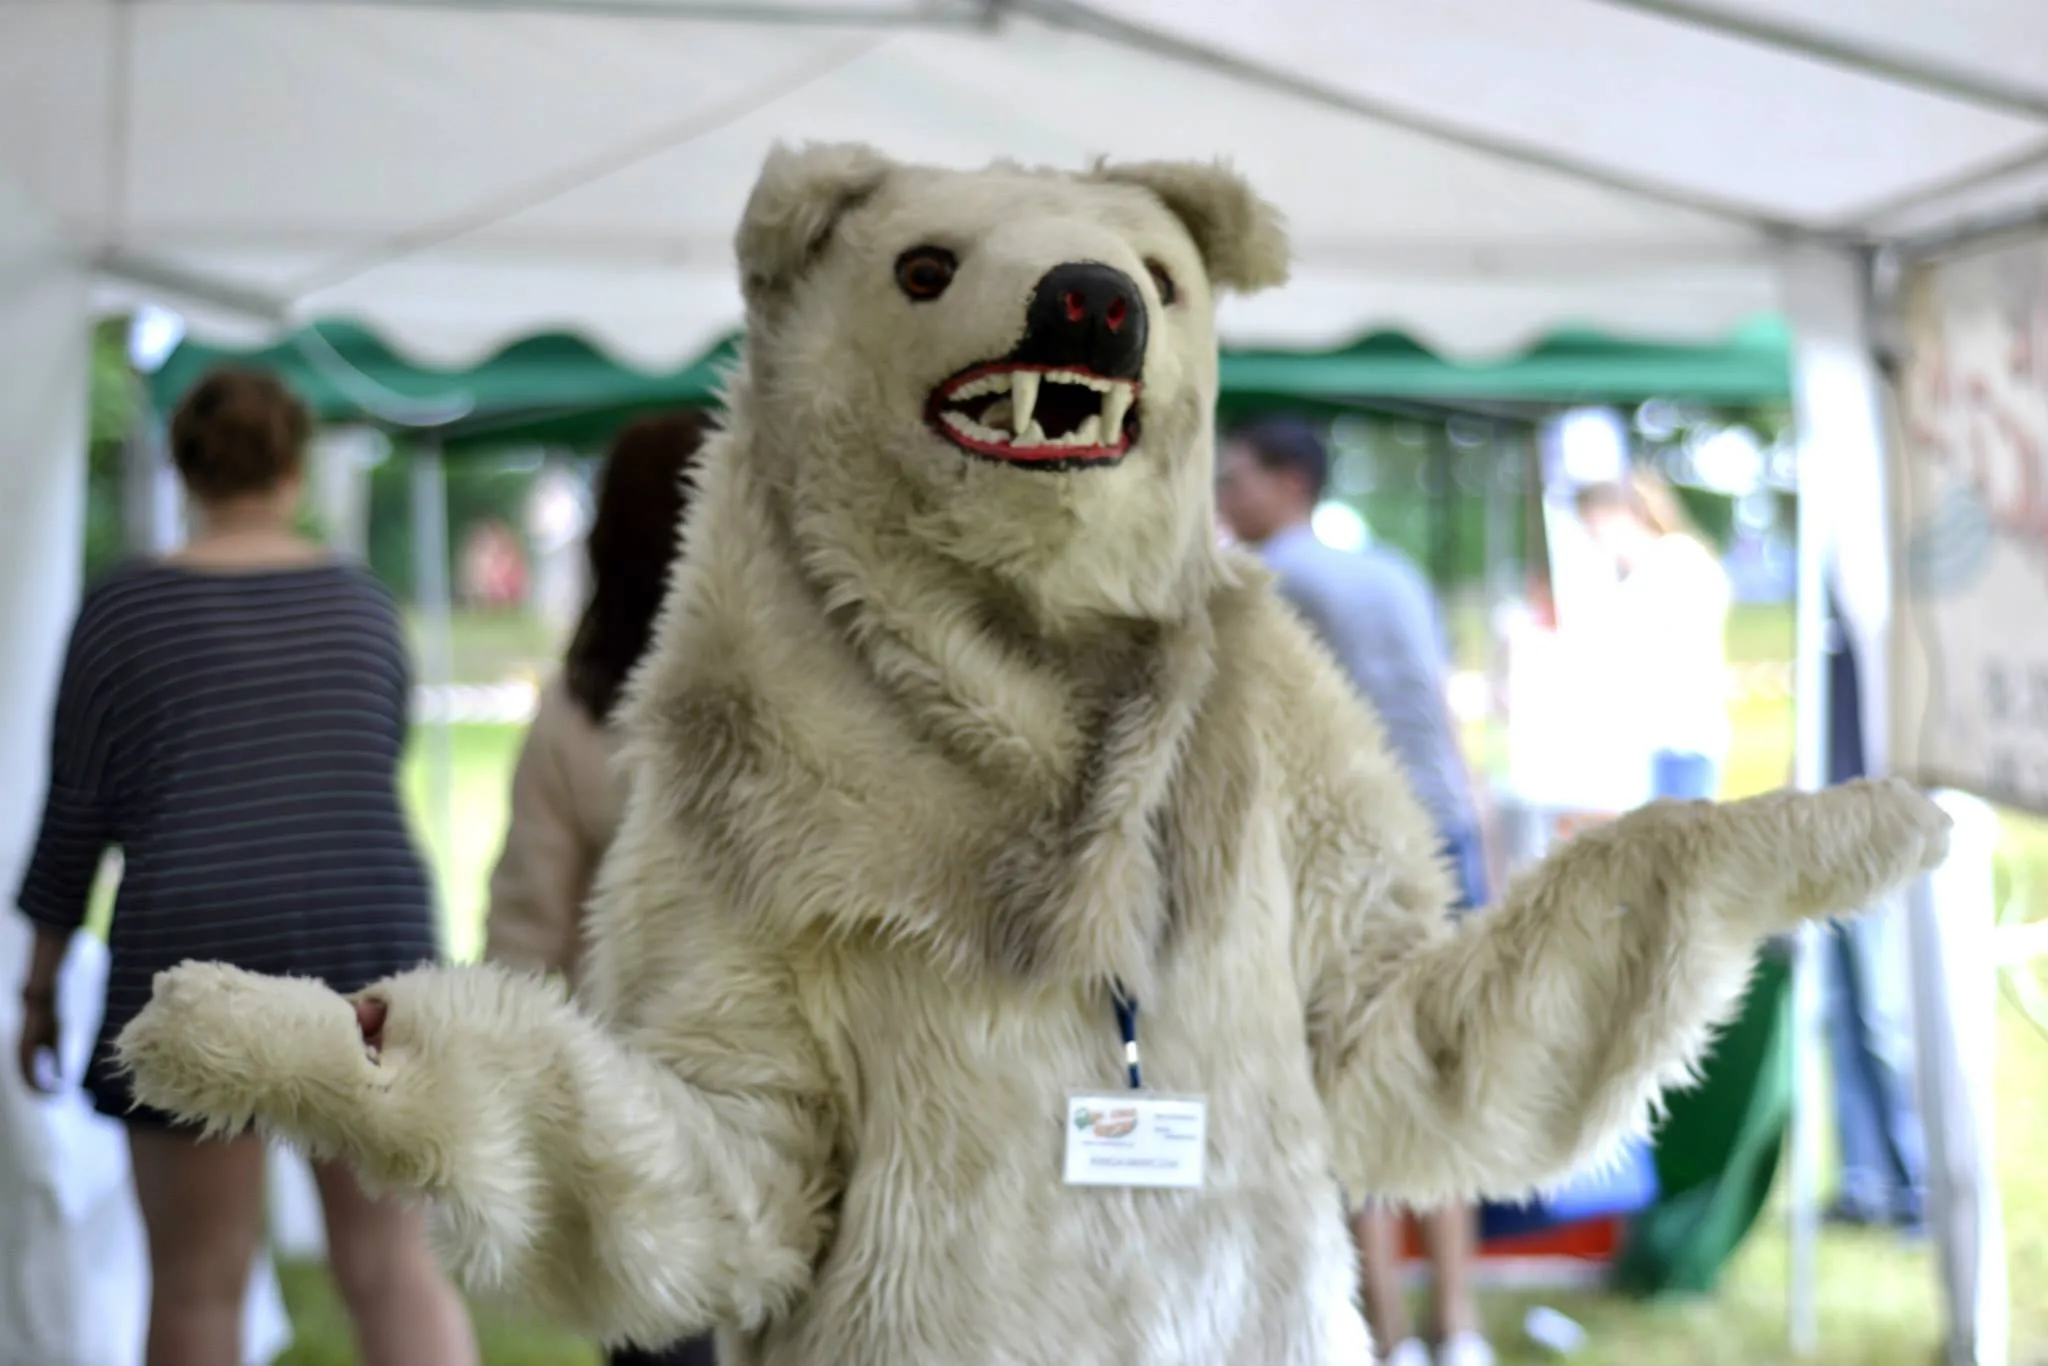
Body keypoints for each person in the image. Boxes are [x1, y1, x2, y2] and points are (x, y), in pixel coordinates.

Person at [12, 367, 478, 1366]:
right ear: (294, 466)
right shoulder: (357, 600)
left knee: (196, 1281)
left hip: (193, 942)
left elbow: (75, 810)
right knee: (392, 1264)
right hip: (367, 941)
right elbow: (373, 758)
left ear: (185, 466)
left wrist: (41, 986)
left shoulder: (124, 606)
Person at [1215, 415, 1494, 1366]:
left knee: (1353, 1087)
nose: (1222, 496)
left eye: (1237, 477)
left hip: (1349, 858)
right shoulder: (1394, 572)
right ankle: (1455, 1327)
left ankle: (1390, 1333)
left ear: (1289, 484)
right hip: (1443, 839)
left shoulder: (1273, 584)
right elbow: (1446, 725)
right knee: (1436, 1081)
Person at [482, 409, 719, 1366]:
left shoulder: (576, 720)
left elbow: (524, 940)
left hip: (636, 1106)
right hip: (789, 1106)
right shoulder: (819, 706)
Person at [1573, 471, 1733, 801]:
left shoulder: (1675, 562)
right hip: (1651, 745)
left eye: (1594, 524)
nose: (1592, 537)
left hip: (1682, 740)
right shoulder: (1636, 577)